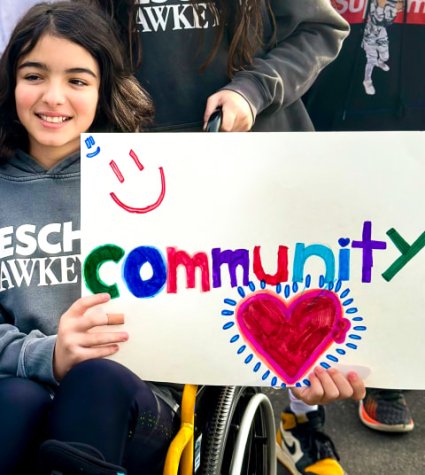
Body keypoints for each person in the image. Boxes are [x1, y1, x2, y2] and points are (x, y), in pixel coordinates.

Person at [73, 2, 366, 475]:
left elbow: (322, 28)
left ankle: (302, 422)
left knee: (292, 324)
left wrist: (252, 92)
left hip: (254, 171)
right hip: (137, 182)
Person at [0, 3, 184, 474]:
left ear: (103, 90)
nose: (54, 96)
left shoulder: (149, 183)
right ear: (11, 83)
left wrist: (293, 370)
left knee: (95, 379)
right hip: (23, 383)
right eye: (34, 75)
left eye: (77, 80)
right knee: (16, 399)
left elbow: (215, 291)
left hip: (132, 401)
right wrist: (50, 355)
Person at [302, 0, 424, 437]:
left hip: (413, 128)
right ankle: (304, 398)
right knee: (319, 255)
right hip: (324, 122)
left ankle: (388, 377)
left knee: (401, 254)